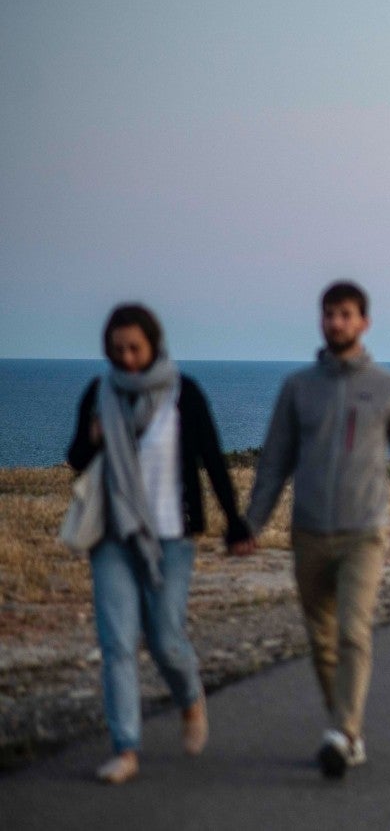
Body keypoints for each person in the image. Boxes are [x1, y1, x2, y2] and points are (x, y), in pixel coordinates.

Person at [241, 281, 390, 779]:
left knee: (354, 631)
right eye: (329, 314)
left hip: (364, 533)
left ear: (364, 322)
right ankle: (345, 729)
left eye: (346, 314)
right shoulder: (297, 387)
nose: (336, 322)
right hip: (308, 532)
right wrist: (253, 523)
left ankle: (342, 732)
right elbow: (274, 462)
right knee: (322, 640)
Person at [66, 304, 252, 784]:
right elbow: (75, 457)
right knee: (117, 644)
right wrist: (94, 436)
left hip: (171, 536)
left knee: (166, 639)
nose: (126, 358)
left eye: (135, 348)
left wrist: (235, 522)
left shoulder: (182, 393)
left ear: (153, 345)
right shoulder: (98, 393)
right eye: (117, 349)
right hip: (112, 535)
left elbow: (212, 458)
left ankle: (190, 699)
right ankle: (125, 748)